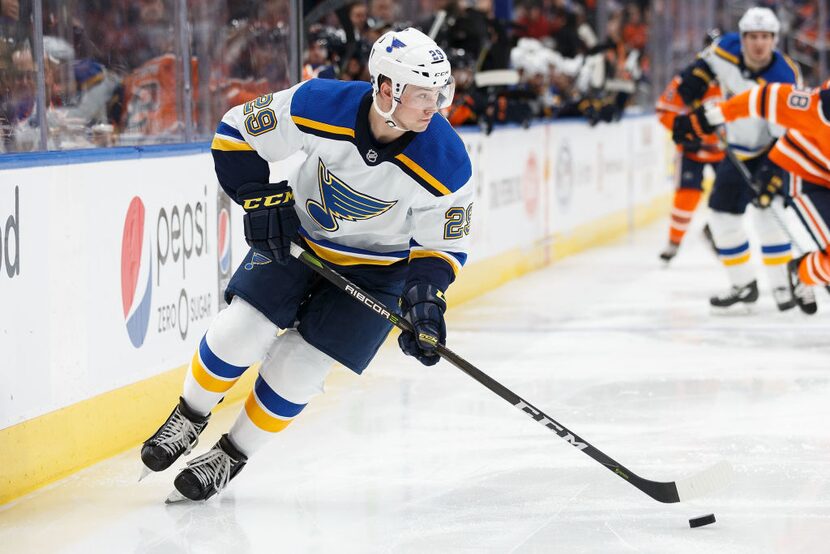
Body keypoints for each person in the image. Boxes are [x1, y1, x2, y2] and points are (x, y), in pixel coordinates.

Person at [140, 27, 473, 502]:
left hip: (382, 271)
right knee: (242, 329)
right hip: (301, 238)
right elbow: (236, 130)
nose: (434, 106)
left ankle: (231, 454)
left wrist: (425, 300)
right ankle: (189, 416)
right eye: (423, 95)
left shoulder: (448, 160)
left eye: (439, 94)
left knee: (299, 368)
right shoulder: (319, 102)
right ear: (386, 89)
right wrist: (256, 198)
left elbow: (443, 246)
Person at [672, 7, 802, 312]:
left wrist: (772, 171)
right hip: (737, 148)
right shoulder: (726, 48)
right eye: (753, 37)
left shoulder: (783, 77)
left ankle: (783, 286)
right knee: (721, 217)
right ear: (742, 39)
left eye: (765, 37)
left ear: (775, 40)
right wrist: (694, 81)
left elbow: (789, 135)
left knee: (768, 217)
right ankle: (744, 284)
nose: (759, 44)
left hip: (775, 151)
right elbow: (703, 65)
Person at [679, 79, 830, 315]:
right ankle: (802, 272)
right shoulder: (815, 105)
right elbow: (762, 98)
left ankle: (816, 270)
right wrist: (711, 117)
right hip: (806, 176)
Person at [655, 31, 725, 263]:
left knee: (730, 198)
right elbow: (664, 110)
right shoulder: (689, 78)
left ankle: (715, 232)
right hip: (692, 150)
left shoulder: (735, 79)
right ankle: (674, 242)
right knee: (686, 196)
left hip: (724, 151)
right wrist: (685, 131)